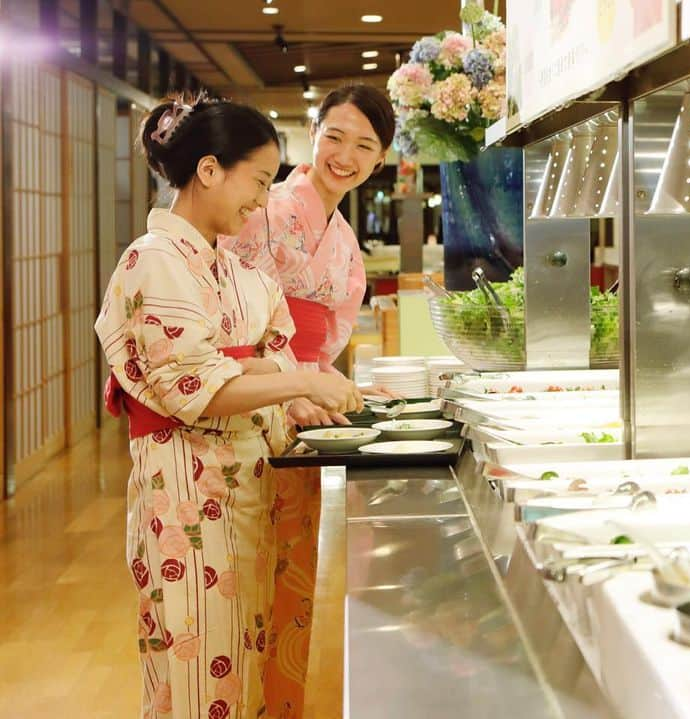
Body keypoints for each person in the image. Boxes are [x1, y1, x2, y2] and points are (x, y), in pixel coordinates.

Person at [95, 94, 364, 719]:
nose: (262, 201)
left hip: (256, 483)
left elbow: (274, 352)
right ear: (210, 170)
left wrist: (275, 375)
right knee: (199, 669)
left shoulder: (239, 272)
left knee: (258, 653)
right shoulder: (153, 260)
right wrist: (292, 381)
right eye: (259, 181)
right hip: (190, 492)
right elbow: (199, 389)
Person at [218, 83, 396, 717]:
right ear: (314, 134)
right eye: (335, 136)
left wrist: (328, 385)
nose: (344, 155)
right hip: (250, 400)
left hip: (303, 411)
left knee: (292, 572)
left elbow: (331, 336)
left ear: (381, 161)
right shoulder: (267, 208)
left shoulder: (346, 241)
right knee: (237, 585)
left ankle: (282, 705)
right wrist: (292, 383)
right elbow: (235, 311)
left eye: (364, 145)